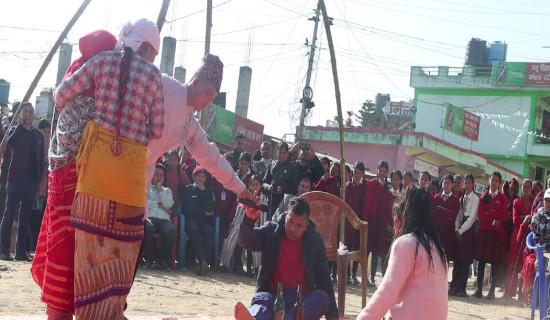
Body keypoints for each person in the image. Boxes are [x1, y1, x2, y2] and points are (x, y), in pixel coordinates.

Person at [54, 19, 164, 319]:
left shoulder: (102, 62)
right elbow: (157, 129)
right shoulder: (154, 76)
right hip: (129, 179)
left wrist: (90, 111)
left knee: (88, 259)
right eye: (154, 52)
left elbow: (61, 94)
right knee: (121, 258)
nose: (154, 59)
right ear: (145, 47)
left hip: (95, 175)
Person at [30, 29, 117, 320]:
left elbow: (60, 103)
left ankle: (59, 310)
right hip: (81, 174)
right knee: (77, 244)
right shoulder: (99, 74)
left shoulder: (75, 71)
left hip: (63, 171)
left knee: (64, 239)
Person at [234, 197, 338, 320]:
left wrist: (333, 317)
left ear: (306, 225)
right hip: (273, 296)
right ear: (285, 217)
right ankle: (254, 318)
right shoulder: (271, 231)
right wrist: (248, 220)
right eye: (290, 222)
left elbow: (324, 279)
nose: (293, 229)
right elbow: (246, 241)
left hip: (301, 300)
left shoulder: (315, 240)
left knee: (322, 299)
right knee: (261, 299)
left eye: (299, 225)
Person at [356, 186, 448, 320]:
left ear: (403, 215)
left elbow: (387, 293)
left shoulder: (406, 243)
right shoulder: (437, 249)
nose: (393, 221)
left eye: (394, 215)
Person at [0, 102, 45, 262]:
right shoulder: (14, 130)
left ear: (34, 115)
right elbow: (10, 144)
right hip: (15, 179)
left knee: (24, 217)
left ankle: (20, 252)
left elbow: (41, 159)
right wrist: (18, 125)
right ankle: (4, 251)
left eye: (30, 111)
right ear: (21, 115)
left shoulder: (38, 135)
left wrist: (38, 180)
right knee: (9, 214)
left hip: (31, 181)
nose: (28, 114)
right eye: (25, 111)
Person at [220, 174, 268, 276]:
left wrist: (263, 229)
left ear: (261, 185)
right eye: (252, 185)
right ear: (249, 185)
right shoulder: (245, 196)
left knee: (256, 244)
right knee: (230, 240)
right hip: (242, 223)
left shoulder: (263, 199)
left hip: (256, 224)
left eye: (257, 184)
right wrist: (233, 225)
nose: (254, 187)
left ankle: (257, 268)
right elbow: (238, 213)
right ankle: (224, 264)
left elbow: (263, 216)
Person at [472, 171, 507, 300]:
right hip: (484, 231)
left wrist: (489, 213)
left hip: (497, 234)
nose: (494, 182)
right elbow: (481, 215)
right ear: (489, 181)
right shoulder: (483, 197)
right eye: (492, 180)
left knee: (495, 263)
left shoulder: (502, 198)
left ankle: (491, 291)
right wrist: (493, 219)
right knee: (481, 262)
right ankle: (479, 290)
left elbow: (502, 215)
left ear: (499, 183)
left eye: (496, 180)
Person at [363, 160, 392, 287]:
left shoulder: (387, 188)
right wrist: (364, 221)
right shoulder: (371, 184)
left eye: (385, 171)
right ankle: (365, 276)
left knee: (375, 251)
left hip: (380, 223)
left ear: (387, 173)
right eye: (381, 170)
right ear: (377, 170)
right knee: (367, 250)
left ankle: (373, 277)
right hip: (370, 220)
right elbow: (366, 203)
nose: (382, 173)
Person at [181, 166, 215, 275]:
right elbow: (188, 209)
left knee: (209, 231)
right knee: (194, 230)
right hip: (191, 219)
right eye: (198, 176)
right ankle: (201, 259)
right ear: (194, 177)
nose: (200, 179)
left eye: (203, 176)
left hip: (203, 220)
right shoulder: (188, 189)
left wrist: (204, 192)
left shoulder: (208, 191)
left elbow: (210, 208)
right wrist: (203, 212)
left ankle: (204, 261)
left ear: (206, 178)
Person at [449, 174, 479, 297]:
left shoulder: (475, 199)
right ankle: (456, 287)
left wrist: (460, 231)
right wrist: (456, 229)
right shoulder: (462, 198)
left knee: (465, 260)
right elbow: (458, 215)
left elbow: (471, 218)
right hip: (460, 228)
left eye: (469, 183)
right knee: (458, 259)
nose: (467, 185)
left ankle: (462, 288)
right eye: (465, 183)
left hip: (468, 231)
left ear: (473, 185)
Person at [143, 163, 176, 271]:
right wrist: (158, 205)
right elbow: (144, 203)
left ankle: (162, 260)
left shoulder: (167, 190)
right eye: (156, 174)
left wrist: (160, 190)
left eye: (161, 175)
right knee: (148, 227)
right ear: (152, 174)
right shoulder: (146, 188)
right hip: (150, 217)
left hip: (163, 219)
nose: (159, 177)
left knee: (171, 231)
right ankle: (149, 259)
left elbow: (168, 205)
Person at [504, 179, 533, 298]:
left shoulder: (533, 203)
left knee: (526, 264)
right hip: (517, 235)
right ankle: (509, 291)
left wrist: (525, 218)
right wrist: (526, 218)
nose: (526, 189)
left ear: (531, 189)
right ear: (522, 188)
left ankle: (523, 294)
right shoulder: (517, 201)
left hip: (529, 236)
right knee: (513, 264)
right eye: (524, 187)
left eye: (528, 187)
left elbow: (534, 217)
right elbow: (515, 219)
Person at [29, 118, 51, 252]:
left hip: (46, 189)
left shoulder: (50, 144)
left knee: (40, 218)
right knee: (34, 218)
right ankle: (32, 247)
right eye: (43, 131)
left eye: (48, 132)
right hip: (36, 188)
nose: (46, 134)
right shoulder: (36, 143)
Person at [345, 161, 367, 285]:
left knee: (357, 247)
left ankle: (354, 274)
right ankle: (347, 274)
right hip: (349, 220)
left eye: (359, 173)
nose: (357, 175)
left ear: (363, 174)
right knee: (348, 246)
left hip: (360, 220)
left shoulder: (365, 186)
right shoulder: (349, 186)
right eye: (355, 173)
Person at [262, 142, 297, 217]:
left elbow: (295, 189)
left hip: (284, 205)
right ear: (277, 152)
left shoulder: (292, 168)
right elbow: (264, 183)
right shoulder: (272, 165)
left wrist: (283, 190)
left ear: (288, 153)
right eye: (280, 153)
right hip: (270, 202)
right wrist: (268, 187)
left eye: (284, 153)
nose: (282, 155)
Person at [433, 174, 460, 261]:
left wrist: (440, 209)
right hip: (436, 232)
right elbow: (433, 213)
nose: (446, 185)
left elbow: (453, 216)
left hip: (448, 234)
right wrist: (447, 215)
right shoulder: (436, 197)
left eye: (448, 183)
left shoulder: (455, 200)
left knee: (445, 260)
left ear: (452, 185)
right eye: (444, 183)